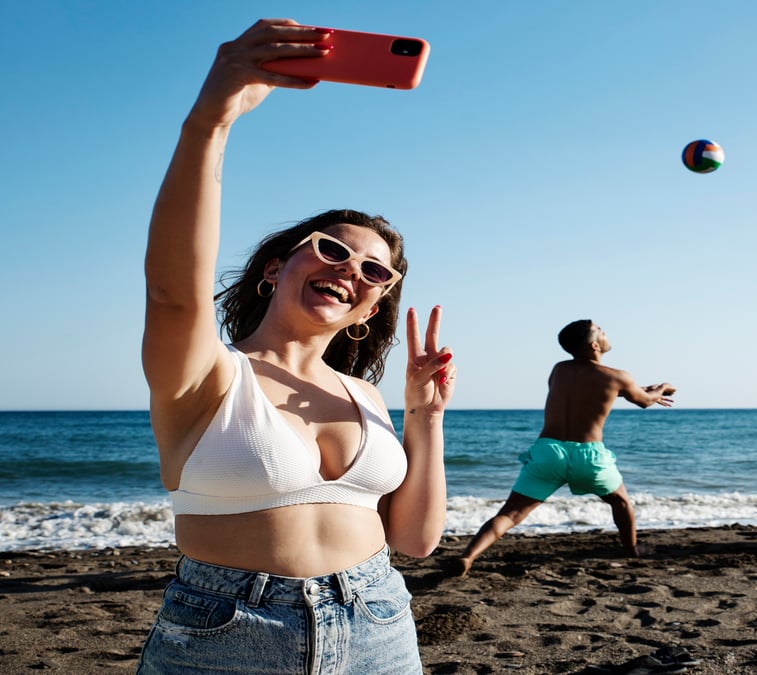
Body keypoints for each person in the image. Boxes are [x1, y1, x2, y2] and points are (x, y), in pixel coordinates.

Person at [136, 19, 455, 673]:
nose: (350, 270)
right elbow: (174, 293)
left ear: (373, 305)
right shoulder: (209, 373)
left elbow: (417, 540)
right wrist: (210, 124)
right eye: (333, 250)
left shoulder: (363, 394)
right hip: (230, 631)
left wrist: (425, 416)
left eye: (374, 271)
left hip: (379, 619)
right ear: (274, 269)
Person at [448, 320, 676, 576]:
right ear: (594, 345)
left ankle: (468, 556)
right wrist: (662, 388)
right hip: (588, 455)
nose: (605, 332)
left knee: (510, 514)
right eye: (601, 330)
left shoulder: (559, 370)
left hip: (548, 451)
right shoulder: (618, 377)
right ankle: (632, 550)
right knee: (620, 501)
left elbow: (595, 392)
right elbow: (644, 401)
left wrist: (640, 390)